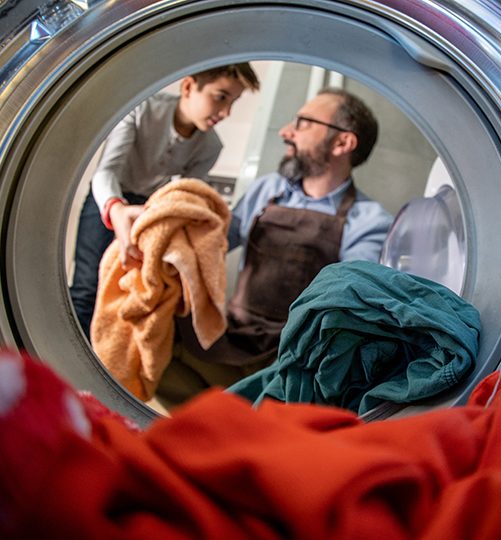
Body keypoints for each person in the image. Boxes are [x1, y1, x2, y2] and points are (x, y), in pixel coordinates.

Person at [165, 87, 394, 401]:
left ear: (343, 142)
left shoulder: (369, 222)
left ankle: (229, 425)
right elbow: (214, 244)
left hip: (293, 360)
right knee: (157, 336)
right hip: (232, 337)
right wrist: (170, 232)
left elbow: (345, 306)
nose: (286, 132)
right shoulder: (268, 189)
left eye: (303, 123)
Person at [70, 63, 260, 338]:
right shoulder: (142, 108)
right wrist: (116, 208)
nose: (226, 113)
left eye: (233, 102)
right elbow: (106, 171)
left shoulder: (210, 146)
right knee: (87, 287)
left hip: (151, 209)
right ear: (188, 87)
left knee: (133, 292)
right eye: (220, 97)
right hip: (112, 197)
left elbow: (184, 194)